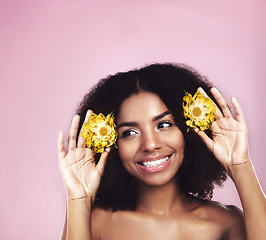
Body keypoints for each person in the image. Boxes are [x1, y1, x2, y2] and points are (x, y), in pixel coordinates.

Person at [57, 63, 266, 240]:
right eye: (129, 132)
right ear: (111, 145)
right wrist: (78, 199)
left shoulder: (225, 223)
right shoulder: (94, 223)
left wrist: (240, 165)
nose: (150, 144)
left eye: (164, 125)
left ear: (188, 130)